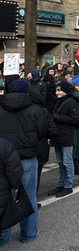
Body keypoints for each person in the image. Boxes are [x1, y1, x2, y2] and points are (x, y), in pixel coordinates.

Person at [0, 79, 48, 243]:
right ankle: (28, 233)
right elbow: (43, 132)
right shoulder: (35, 109)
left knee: (4, 196)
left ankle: (3, 235)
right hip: (27, 156)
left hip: (4, 158)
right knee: (29, 196)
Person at [49, 81, 79, 198]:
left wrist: (58, 117)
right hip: (58, 136)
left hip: (66, 136)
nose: (57, 92)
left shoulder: (71, 102)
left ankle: (68, 185)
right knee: (60, 162)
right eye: (56, 90)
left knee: (67, 162)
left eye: (59, 90)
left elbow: (76, 119)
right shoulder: (59, 101)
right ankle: (61, 183)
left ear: (65, 91)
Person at [0, 138, 24, 247]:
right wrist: (14, 186)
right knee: (4, 219)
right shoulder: (4, 145)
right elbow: (14, 172)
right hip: (3, 192)